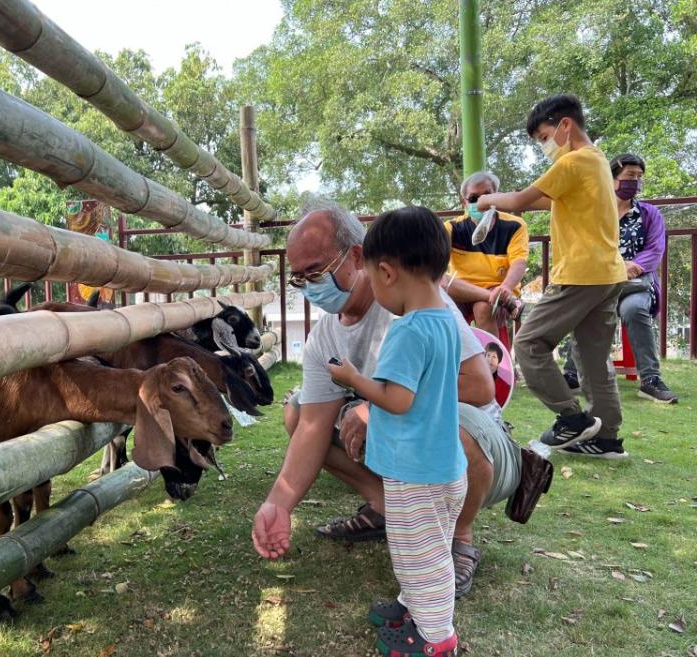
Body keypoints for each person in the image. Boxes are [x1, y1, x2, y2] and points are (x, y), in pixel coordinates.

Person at [251, 198, 551, 602]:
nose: (310, 288)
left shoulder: (421, 304)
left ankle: (459, 538)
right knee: (300, 410)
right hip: (408, 443)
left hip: (479, 444)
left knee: (453, 428)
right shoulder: (325, 336)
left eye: (317, 272)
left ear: (358, 256)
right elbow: (312, 426)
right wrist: (279, 504)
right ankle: (386, 508)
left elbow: (480, 386)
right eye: (300, 279)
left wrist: (372, 406)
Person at [324, 207, 465, 657]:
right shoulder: (445, 319)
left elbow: (397, 399)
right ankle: (415, 609)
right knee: (427, 549)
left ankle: (436, 635)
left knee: (420, 556)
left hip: (416, 473)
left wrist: (353, 379)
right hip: (442, 466)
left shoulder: (407, 330)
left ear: (386, 272)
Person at [476, 94, 628, 460]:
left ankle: (570, 419)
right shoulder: (596, 162)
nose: (544, 146)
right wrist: (500, 203)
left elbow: (524, 199)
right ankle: (606, 438)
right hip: (608, 274)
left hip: (580, 272)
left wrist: (484, 200)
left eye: (544, 136)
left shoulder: (574, 161)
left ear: (565, 126)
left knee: (529, 343)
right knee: (591, 356)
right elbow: (547, 201)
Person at [561, 154, 677, 404]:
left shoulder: (649, 213)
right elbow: (583, 246)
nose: (634, 182)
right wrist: (612, 266)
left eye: (638, 177)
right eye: (629, 176)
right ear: (611, 179)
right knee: (584, 306)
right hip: (600, 283)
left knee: (634, 309)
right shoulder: (594, 212)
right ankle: (572, 373)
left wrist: (631, 266)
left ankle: (650, 380)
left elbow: (656, 249)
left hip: (635, 284)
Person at [444, 171, 529, 337]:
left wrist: (505, 287)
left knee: (483, 308)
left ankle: (492, 362)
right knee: (442, 290)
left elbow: (519, 262)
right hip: (461, 290)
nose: (481, 203)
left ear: (496, 197)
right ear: (464, 203)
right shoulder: (452, 228)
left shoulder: (514, 226)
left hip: (499, 290)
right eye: (474, 199)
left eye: (487, 196)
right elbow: (437, 265)